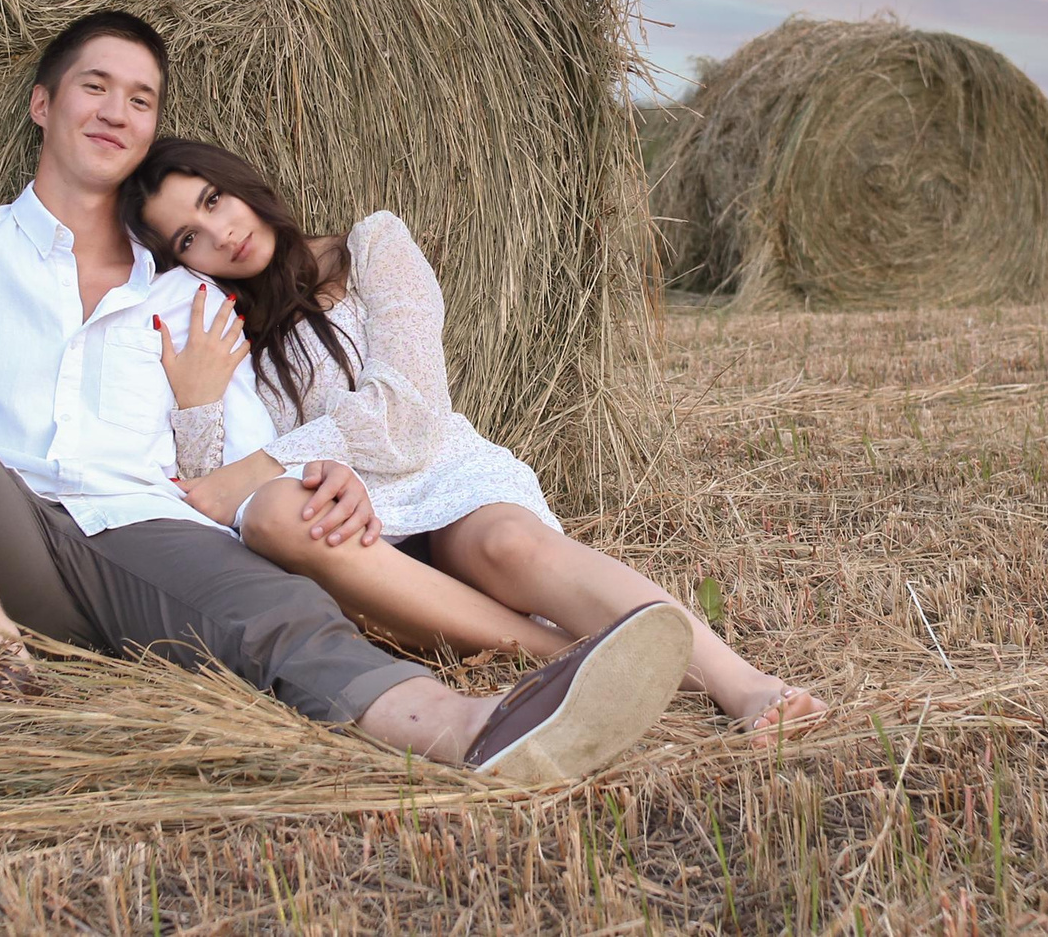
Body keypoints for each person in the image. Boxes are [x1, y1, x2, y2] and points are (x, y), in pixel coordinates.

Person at [0, 11, 691, 781]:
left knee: (280, 614)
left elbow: (238, 469)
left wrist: (327, 479)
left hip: (148, 532)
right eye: (95, 85)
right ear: (44, 105)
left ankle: (474, 729)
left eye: (141, 98)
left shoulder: (192, 295)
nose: (116, 110)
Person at [123, 138, 828, 739]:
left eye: (214, 199)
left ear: (243, 183)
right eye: (188, 236)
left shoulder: (372, 245)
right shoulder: (218, 326)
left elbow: (409, 413)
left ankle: (741, 684)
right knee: (283, 523)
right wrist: (196, 401)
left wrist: (273, 459)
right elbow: (215, 497)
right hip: (349, 528)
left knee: (509, 546)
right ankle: (576, 655)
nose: (219, 233)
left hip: (437, 475)